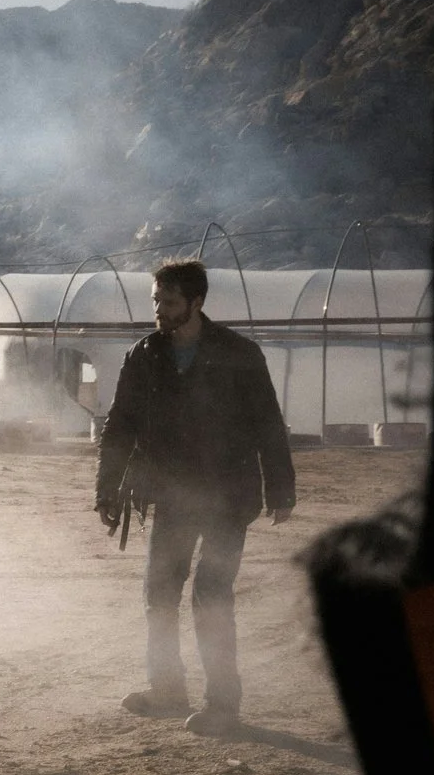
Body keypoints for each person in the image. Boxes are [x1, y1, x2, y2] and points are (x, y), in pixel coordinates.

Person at [95, 258, 295, 736]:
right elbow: (120, 422)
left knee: (211, 594)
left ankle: (223, 705)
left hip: (229, 496)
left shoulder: (239, 354)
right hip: (173, 494)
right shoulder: (145, 354)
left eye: (169, 302)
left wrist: (281, 488)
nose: (159, 311)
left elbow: (268, 421)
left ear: (196, 303)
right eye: (156, 301)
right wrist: (107, 485)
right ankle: (166, 690)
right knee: (159, 593)